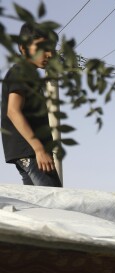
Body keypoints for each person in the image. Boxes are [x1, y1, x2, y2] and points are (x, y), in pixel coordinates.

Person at [2, 23, 62, 187]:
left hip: (27, 152)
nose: (49, 54)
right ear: (23, 47)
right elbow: (13, 111)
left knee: (39, 206)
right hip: (31, 151)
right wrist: (39, 149)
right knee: (56, 203)